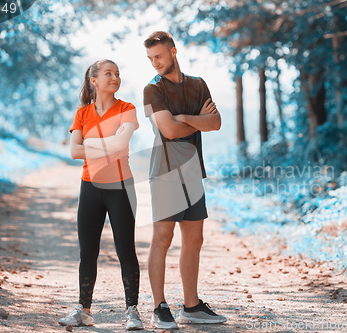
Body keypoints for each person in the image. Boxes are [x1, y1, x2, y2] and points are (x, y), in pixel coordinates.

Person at [142, 31, 226, 330]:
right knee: (162, 240)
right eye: (151, 58)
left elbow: (215, 123)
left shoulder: (198, 84)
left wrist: (183, 117)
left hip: (193, 173)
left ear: (173, 52)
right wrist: (194, 118)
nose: (155, 63)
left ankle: (191, 306)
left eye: (159, 56)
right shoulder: (152, 90)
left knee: (194, 240)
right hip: (165, 173)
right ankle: (159, 307)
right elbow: (169, 131)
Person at [59, 59, 143, 330]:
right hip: (90, 187)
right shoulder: (82, 113)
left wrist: (90, 143)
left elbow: (121, 143)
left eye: (117, 73)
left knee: (125, 250)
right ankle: (83, 310)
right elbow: (74, 152)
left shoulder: (127, 109)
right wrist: (106, 144)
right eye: (108, 73)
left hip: (121, 186)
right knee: (87, 253)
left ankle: (132, 312)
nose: (115, 77)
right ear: (94, 80)